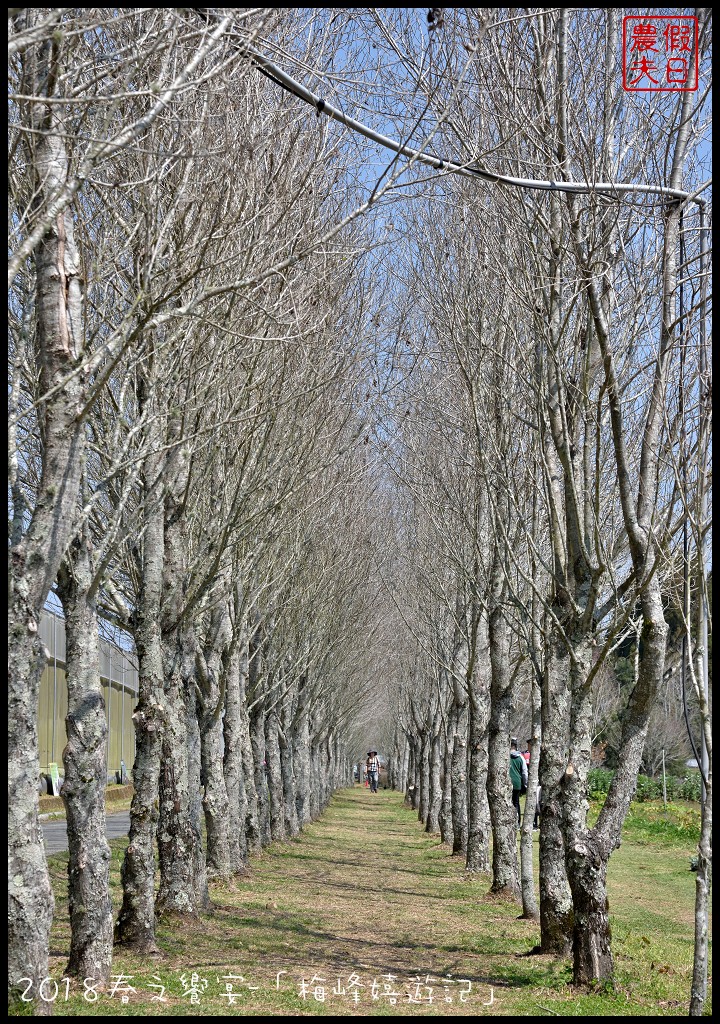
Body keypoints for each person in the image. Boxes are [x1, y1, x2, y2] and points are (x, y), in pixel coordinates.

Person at [509, 737, 528, 825]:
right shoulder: (521, 757)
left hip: (507, 783)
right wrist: (526, 784)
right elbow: (524, 772)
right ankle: (517, 822)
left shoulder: (504, 756)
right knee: (516, 803)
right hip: (517, 783)